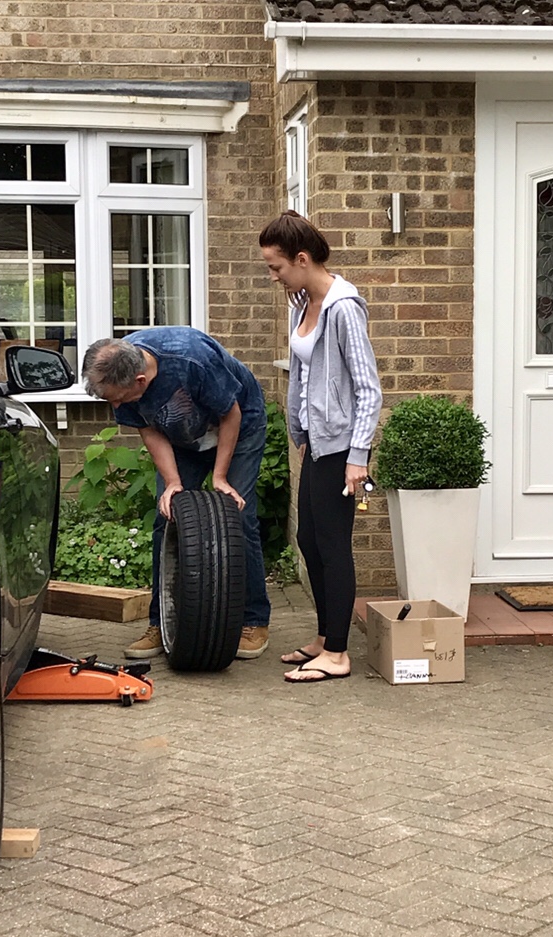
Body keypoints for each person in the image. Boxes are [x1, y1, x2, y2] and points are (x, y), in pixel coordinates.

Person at [82, 329, 271, 660]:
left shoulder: (192, 359)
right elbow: (148, 429)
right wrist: (172, 482)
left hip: (239, 427)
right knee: (166, 517)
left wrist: (220, 477)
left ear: (140, 381)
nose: (116, 406)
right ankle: (161, 622)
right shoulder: (120, 372)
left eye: (119, 399)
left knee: (239, 516)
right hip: (182, 438)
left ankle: (254, 621)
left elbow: (231, 414)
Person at [259, 211, 382, 683]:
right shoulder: (301, 303)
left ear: (302, 259)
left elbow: (368, 389)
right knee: (309, 540)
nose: (273, 276)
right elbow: (305, 373)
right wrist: (303, 432)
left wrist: (358, 457)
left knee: (332, 546)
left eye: (276, 267)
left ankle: (338, 653)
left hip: (342, 448)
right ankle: (324, 637)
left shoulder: (343, 308)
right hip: (316, 443)